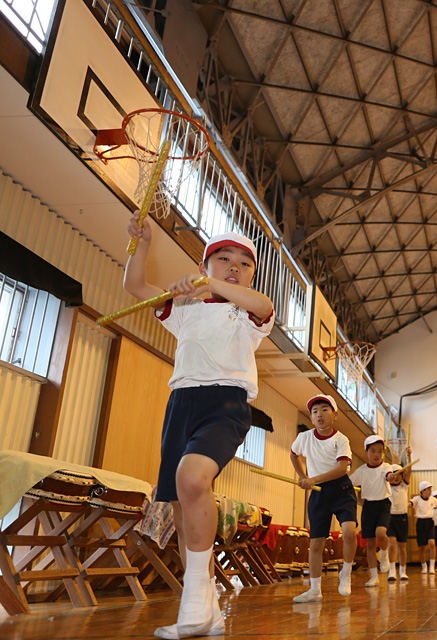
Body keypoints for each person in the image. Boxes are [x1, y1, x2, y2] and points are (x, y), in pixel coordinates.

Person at [124, 222, 275, 639]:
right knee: (181, 504)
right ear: (202, 264)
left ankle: (192, 601)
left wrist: (210, 283)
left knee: (192, 479)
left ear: (251, 275)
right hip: (181, 405)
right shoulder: (185, 309)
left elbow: (263, 303)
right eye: (223, 259)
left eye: (244, 264)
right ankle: (207, 612)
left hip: (225, 404)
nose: (234, 267)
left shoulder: (247, 313)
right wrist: (143, 244)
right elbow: (134, 286)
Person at [290, 394, 358, 602]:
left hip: (342, 489)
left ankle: (346, 573)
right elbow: (293, 454)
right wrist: (303, 477)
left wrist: (313, 479)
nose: (319, 414)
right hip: (318, 493)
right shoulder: (304, 437)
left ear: (335, 415)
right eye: (314, 411)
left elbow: (342, 469)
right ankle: (315, 590)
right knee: (316, 542)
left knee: (349, 532)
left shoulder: (341, 439)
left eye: (324, 410)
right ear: (311, 418)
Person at [349, 435, 394, 587]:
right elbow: (348, 482)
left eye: (380, 451)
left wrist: (391, 476)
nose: (376, 454)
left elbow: (388, 476)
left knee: (380, 533)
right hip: (368, 506)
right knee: (370, 543)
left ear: (383, 453)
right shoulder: (361, 471)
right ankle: (374, 576)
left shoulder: (386, 467)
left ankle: (384, 554)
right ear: (366, 452)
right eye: (373, 451)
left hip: (383, 505)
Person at [386, 451, 412, 581]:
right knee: (392, 544)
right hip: (390, 518)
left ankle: (403, 571)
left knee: (402, 546)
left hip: (402, 518)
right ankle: (392, 570)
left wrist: (409, 457)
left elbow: (409, 470)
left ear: (402, 476)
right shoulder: (386, 486)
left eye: (399, 474)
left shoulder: (404, 486)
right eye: (394, 475)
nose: (396, 477)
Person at [410, 481, 437, 573]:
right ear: (422, 490)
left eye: (430, 489)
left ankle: (432, 566)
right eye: (428, 489)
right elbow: (411, 503)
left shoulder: (433, 499)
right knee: (421, 547)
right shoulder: (417, 499)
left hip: (430, 522)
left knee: (432, 543)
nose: (430, 491)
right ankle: (424, 566)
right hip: (421, 523)